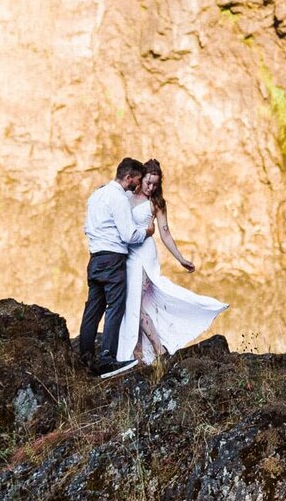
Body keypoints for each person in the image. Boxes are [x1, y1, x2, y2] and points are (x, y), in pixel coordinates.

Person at [111, 159, 228, 371]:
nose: (151, 187)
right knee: (132, 304)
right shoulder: (125, 196)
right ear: (140, 178)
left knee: (135, 304)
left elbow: (165, 233)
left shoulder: (156, 203)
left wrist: (181, 258)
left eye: (155, 184)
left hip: (144, 256)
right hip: (127, 256)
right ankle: (137, 354)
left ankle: (159, 350)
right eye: (147, 182)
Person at [77, 157, 153, 376]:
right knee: (115, 307)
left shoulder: (96, 195)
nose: (136, 186)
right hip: (113, 260)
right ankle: (107, 358)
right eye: (136, 181)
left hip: (95, 258)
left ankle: (85, 355)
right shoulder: (118, 198)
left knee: (93, 308)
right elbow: (128, 234)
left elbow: (86, 227)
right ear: (128, 177)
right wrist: (146, 232)